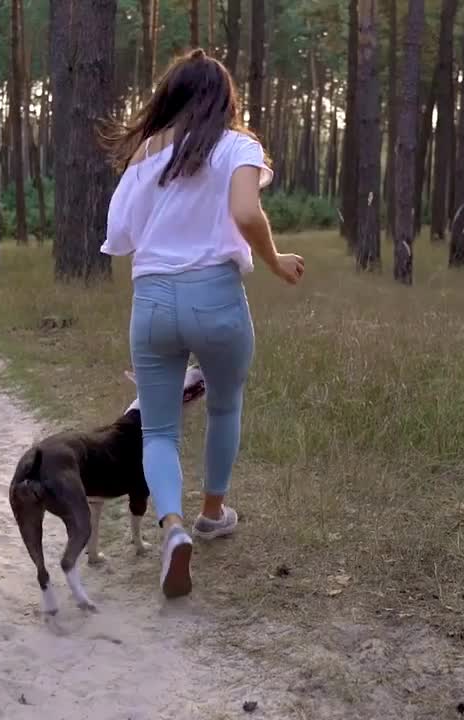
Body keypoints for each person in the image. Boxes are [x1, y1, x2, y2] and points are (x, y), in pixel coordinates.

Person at [99, 49, 306, 599]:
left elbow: (118, 236)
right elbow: (244, 212)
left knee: (160, 429)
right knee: (224, 405)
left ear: (170, 97)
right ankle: (213, 512)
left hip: (151, 301)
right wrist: (276, 260)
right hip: (215, 295)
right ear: (225, 98)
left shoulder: (145, 154)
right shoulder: (238, 143)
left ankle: (172, 528)